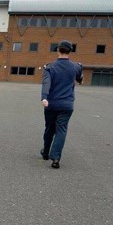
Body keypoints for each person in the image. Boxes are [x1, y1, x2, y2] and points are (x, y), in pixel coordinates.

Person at [40, 40, 83, 168]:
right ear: (70, 51)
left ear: (58, 50)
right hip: (67, 105)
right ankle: (56, 158)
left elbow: (46, 83)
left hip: (51, 103)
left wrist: (44, 97)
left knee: (49, 129)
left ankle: (46, 153)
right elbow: (80, 80)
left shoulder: (49, 67)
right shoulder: (77, 66)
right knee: (61, 130)